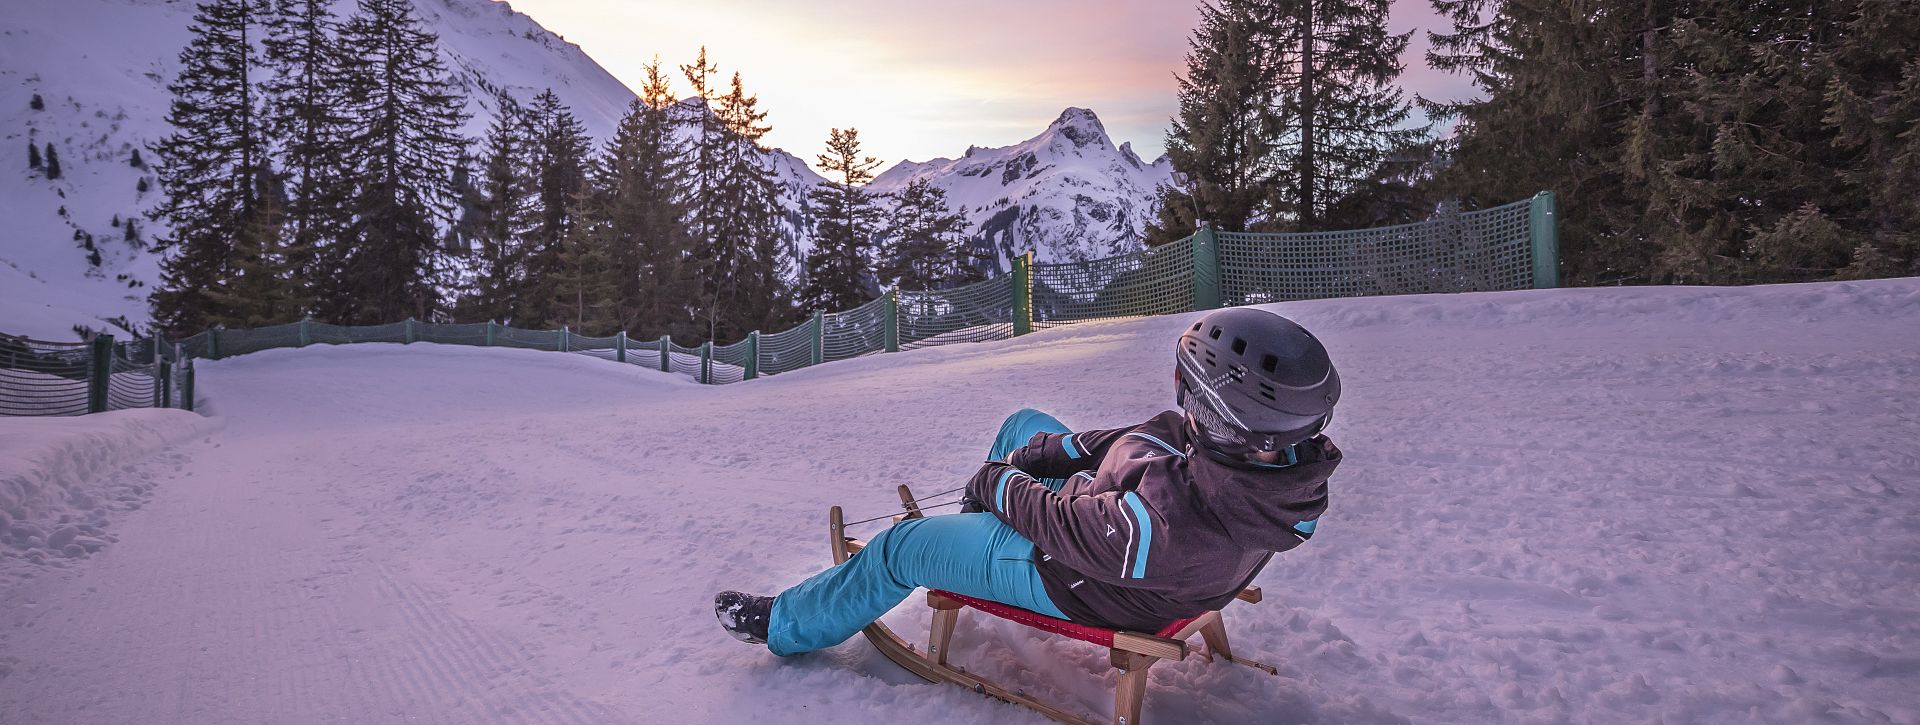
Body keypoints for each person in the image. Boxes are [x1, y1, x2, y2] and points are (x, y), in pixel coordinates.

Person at [715, 307, 1343, 655]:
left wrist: (998, 485)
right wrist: (1047, 451)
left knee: (899, 548)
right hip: (1107, 532)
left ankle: (784, 626)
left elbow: (1060, 527)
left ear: (1215, 407)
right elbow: (1144, 437)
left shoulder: (1175, 526)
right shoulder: (1257, 459)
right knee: (1024, 424)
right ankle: (971, 534)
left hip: (1067, 575)